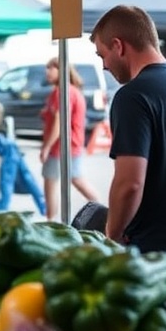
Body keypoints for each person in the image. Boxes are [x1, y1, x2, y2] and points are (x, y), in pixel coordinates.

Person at [92, 5, 166, 284]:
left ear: (118, 46)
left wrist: (112, 235)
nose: (104, 66)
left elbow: (130, 183)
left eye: (102, 55)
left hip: (163, 258)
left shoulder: (133, 96)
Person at [39, 57, 100, 220]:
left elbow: (59, 124)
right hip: (71, 144)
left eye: (51, 68)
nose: (47, 71)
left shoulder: (62, 92)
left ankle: (50, 220)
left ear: (62, 70)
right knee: (75, 179)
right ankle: (100, 208)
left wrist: (46, 147)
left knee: (51, 183)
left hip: (61, 146)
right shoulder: (69, 91)